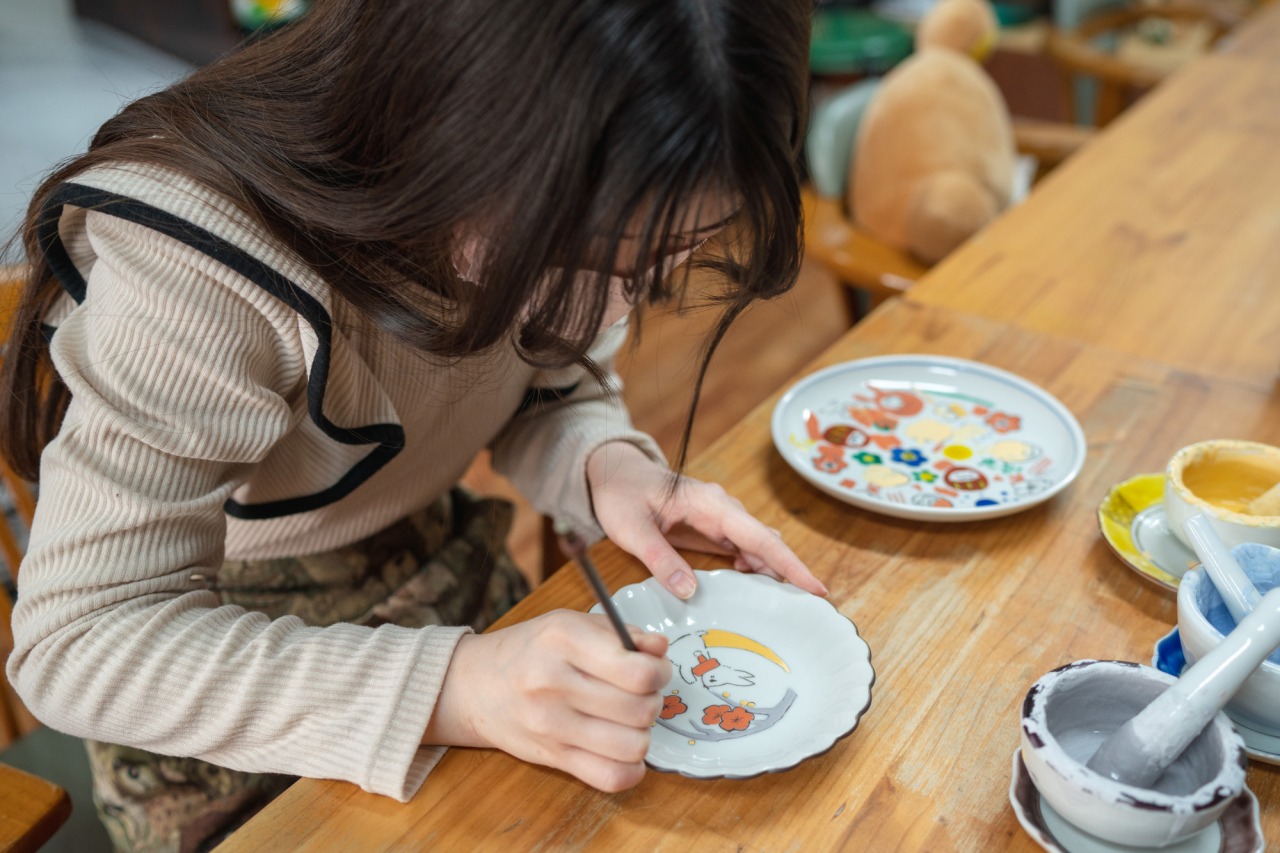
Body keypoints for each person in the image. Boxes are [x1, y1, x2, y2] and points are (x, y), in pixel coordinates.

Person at [1, 0, 824, 849]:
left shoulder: (535, 198)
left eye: (663, 260)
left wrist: (604, 464)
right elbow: (83, 641)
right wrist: (459, 686)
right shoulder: (198, 265)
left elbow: (545, 378)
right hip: (211, 678)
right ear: (448, 130)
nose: (615, 308)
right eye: (587, 259)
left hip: (441, 579)